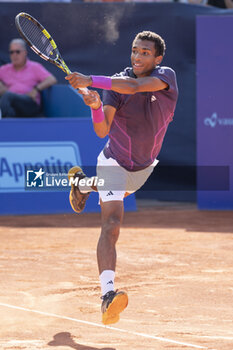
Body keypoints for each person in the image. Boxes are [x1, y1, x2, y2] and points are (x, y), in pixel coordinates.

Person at [65, 31, 178, 325]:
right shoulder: (113, 86)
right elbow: (102, 130)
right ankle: (107, 296)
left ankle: (81, 185)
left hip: (143, 167)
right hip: (114, 161)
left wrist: (89, 79)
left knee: (109, 190)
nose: (138, 57)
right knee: (112, 224)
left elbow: (135, 86)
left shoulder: (166, 77)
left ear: (158, 59)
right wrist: (95, 108)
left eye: (145, 53)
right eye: (135, 51)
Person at [0, 38, 57, 118]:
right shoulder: (4, 69)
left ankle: (4, 125)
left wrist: (36, 89)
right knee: (8, 102)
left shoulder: (34, 67)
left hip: (29, 103)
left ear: (25, 53)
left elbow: (51, 79)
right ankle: (8, 126)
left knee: (8, 96)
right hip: (12, 106)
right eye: (11, 52)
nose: (14, 55)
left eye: (17, 52)